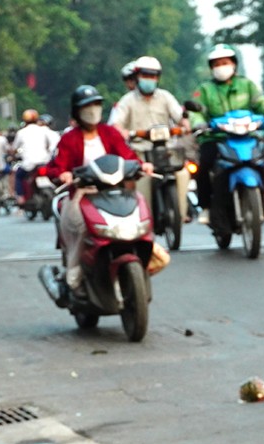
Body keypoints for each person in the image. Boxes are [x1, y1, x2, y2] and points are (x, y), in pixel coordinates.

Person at [50, 85, 152, 297]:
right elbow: (58, 165)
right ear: (77, 111)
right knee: (78, 227)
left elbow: (127, 156)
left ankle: (149, 256)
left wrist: (141, 166)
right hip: (82, 194)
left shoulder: (110, 133)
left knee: (139, 217)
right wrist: (64, 174)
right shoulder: (69, 139)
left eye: (96, 104)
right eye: (87, 106)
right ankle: (74, 274)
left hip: (115, 191)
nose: (92, 109)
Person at [187, 43, 264, 209]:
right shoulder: (205, 89)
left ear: (234, 64)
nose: (221, 67)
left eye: (225, 63)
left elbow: (261, 103)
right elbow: (196, 111)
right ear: (211, 68)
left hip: (247, 137)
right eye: (217, 64)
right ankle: (206, 207)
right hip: (216, 138)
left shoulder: (247, 85)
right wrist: (198, 123)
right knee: (204, 166)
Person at [109, 55, 191, 224]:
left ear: (158, 78)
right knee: (142, 178)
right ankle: (143, 219)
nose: (149, 79)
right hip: (139, 151)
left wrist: (185, 123)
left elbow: (179, 116)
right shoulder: (128, 100)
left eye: (153, 76)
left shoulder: (165, 97)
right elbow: (116, 124)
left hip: (166, 150)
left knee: (183, 173)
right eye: (145, 75)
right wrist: (123, 132)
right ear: (137, 77)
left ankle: (182, 213)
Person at [12, 108, 57, 207]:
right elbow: (51, 145)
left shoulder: (21, 132)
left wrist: (13, 155)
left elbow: (14, 148)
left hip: (29, 164)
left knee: (18, 176)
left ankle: (20, 197)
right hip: (44, 162)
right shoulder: (44, 131)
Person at [108, 60, 138, 124]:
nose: (130, 83)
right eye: (126, 79)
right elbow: (112, 127)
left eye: (133, 78)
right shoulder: (119, 106)